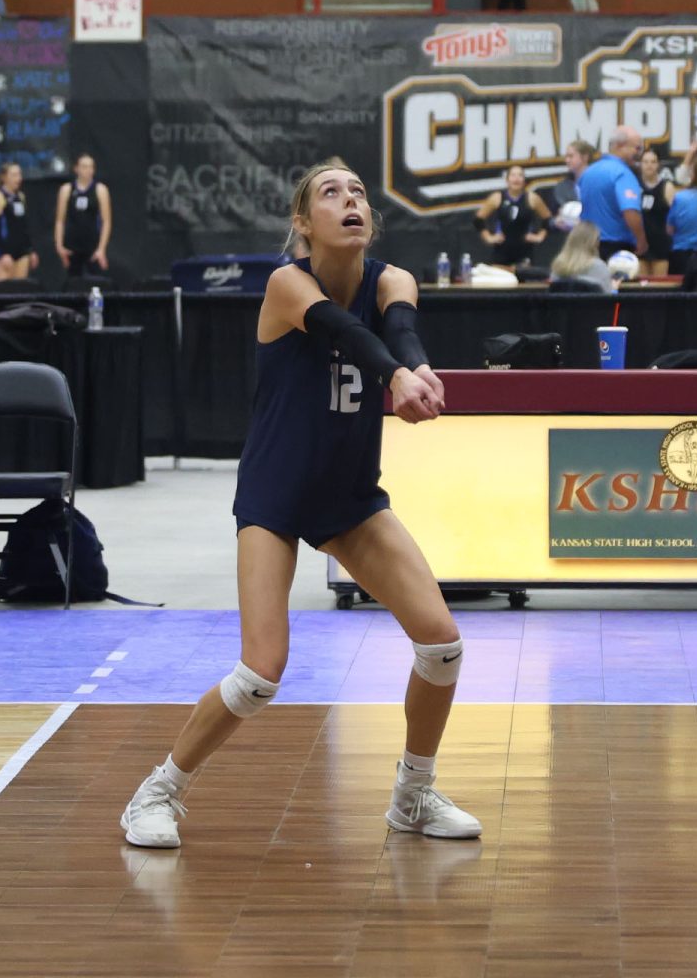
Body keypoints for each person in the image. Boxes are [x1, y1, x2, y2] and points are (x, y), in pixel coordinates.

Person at [120, 156, 482, 849]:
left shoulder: (393, 278)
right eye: (330, 192)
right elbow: (350, 336)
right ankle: (155, 793)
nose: (350, 200)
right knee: (260, 674)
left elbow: (398, 330)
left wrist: (417, 367)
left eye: (359, 193)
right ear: (302, 221)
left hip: (349, 496)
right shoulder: (288, 284)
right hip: (277, 491)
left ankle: (413, 795)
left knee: (441, 646)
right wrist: (397, 376)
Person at [578, 125, 648, 261]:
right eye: (637, 148)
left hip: (587, 246)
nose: (639, 154)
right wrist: (641, 240)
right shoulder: (623, 174)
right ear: (620, 146)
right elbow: (630, 211)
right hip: (616, 249)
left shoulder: (588, 172)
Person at [473, 165, 551, 267]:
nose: (516, 179)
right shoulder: (497, 198)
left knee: (523, 279)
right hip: (501, 253)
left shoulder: (532, 198)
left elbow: (548, 219)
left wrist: (540, 236)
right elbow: (478, 220)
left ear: (524, 180)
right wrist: (488, 237)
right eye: (513, 175)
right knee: (501, 281)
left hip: (524, 253)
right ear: (507, 179)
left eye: (520, 175)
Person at [54, 153, 112, 277]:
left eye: (91, 167)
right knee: (73, 284)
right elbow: (60, 220)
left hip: (93, 246)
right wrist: (59, 246)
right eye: (84, 166)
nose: (88, 170)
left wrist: (101, 248)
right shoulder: (67, 189)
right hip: (72, 247)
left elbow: (106, 221)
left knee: (96, 286)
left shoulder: (100, 190)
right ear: (76, 169)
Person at [0, 163, 39, 282]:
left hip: (22, 252)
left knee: (19, 291)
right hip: (5, 252)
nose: (18, 178)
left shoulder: (20, 197)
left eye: (19, 175)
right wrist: (3, 253)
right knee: (3, 292)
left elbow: (24, 226)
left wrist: (31, 250)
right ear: (4, 177)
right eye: (14, 175)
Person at [549, 220, 613, 293]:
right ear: (595, 242)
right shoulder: (600, 266)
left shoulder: (558, 266)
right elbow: (608, 301)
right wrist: (614, 289)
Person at [639, 147, 674, 278]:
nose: (649, 165)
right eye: (646, 161)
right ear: (640, 164)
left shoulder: (666, 186)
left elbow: (674, 217)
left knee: (659, 285)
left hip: (660, 244)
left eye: (653, 162)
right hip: (640, 244)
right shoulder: (634, 185)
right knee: (641, 286)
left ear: (658, 164)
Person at [666, 153, 697, 275]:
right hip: (684, 254)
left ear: (692, 174)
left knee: (679, 293)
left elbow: (670, 229)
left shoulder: (680, 198)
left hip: (681, 256)